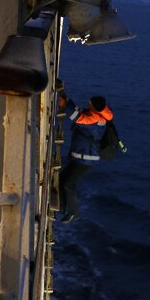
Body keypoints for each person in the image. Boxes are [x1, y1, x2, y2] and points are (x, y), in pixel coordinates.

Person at [58, 93, 113, 223]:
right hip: (80, 157)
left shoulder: (95, 120)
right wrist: (68, 101)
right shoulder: (94, 115)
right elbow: (79, 112)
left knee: (68, 184)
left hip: (86, 160)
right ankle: (61, 206)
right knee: (62, 178)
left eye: (90, 103)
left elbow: (77, 117)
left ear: (94, 106)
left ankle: (74, 213)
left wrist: (65, 105)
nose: (87, 103)